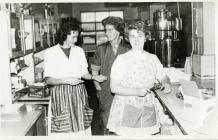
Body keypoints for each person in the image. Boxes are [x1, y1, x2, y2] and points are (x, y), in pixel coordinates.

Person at [106, 20, 172, 136]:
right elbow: (114, 87)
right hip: (126, 109)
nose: (136, 40)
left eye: (140, 36)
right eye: (132, 37)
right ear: (128, 38)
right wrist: (137, 91)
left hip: (148, 108)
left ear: (146, 37)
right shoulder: (121, 60)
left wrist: (166, 83)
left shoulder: (153, 58)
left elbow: (163, 77)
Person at [44, 20, 106, 136]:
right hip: (60, 93)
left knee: (80, 127)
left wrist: (94, 77)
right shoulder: (50, 52)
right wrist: (64, 80)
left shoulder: (79, 51)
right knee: (62, 129)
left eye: (77, 37)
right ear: (64, 35)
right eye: (73, 37)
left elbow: (84, 73)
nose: (76, 40)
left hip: (78, 93)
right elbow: (48, 79)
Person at [91, 16, 130, 135]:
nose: (107, 33)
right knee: (106, 122)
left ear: (119, 31)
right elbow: (94, 71)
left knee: (124, 120)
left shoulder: (128, 48)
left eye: (110, 30)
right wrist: (98, 87)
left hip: (125, 90)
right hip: (106, 92)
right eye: (106, 30)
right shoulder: (101, 49)